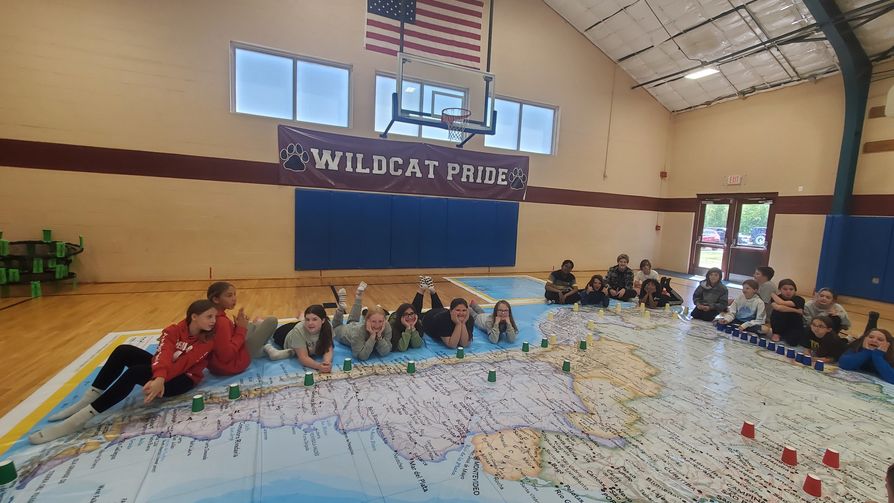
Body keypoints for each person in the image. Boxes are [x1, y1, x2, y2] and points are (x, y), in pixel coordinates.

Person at [30, 300, 217, 444]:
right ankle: (87, 399)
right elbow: (164, 352)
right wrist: (158, 376)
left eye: (214, 317)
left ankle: (76, 421)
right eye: (209, 316)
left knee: (135, 373)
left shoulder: (207, 341)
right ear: (194, 316)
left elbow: (183, 365)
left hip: (182, 380)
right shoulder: (173, 330)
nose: (213, 321)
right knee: (123, 350)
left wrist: (159, 379)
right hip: (163, 372)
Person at [205, 282, 278, 376]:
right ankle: (266, 349)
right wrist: (241, 329)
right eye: (229, 295)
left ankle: (263, 345)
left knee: (250, 326)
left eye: (234, 294)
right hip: (234, 365)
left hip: (217, 366)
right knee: (272, 321)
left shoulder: (210, 316)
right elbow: (226, 355)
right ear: (216, 299)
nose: (234, 298)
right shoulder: (222, 322)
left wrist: (237, 327)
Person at [266, 305, 334, 373]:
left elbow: (328, 349)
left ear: (323, 320)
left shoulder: (328, 327)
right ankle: (260, 322)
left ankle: (301, 317)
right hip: (285, 333)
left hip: (303, 327)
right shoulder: (298, 331)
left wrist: (326, 362)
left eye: (314, 319)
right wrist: (318, 366)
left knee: (305, 325)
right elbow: (303, 358)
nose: (310, 323)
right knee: (272, 332)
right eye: (307, 319)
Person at [332, 282, 391, 360]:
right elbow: (361, 356)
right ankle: (340, 308)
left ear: (385, 320)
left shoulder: (386, 326)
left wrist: (379, 336)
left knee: (352, 320)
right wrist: (372, 337)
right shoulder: (358, 332)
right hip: (347, 331)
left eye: (380, 321)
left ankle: (358, 296)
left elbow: (385, 352)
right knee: (335, 327)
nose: (377, 325)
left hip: (355, 325)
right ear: (367, 321)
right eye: (373, 321)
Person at [769, 279, 806, 346]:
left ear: (795, 290)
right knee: (777, 312)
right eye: (785, 289)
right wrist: (797, 311)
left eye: (791, 289)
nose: (788, 291)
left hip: (794, 325)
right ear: (780, 290)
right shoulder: (777, 297)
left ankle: (784, 335)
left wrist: (772, 294)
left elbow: (781, 303)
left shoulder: (799, 299)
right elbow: (778, 308)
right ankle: (777, 333)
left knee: (793, 342)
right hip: (780, 324)